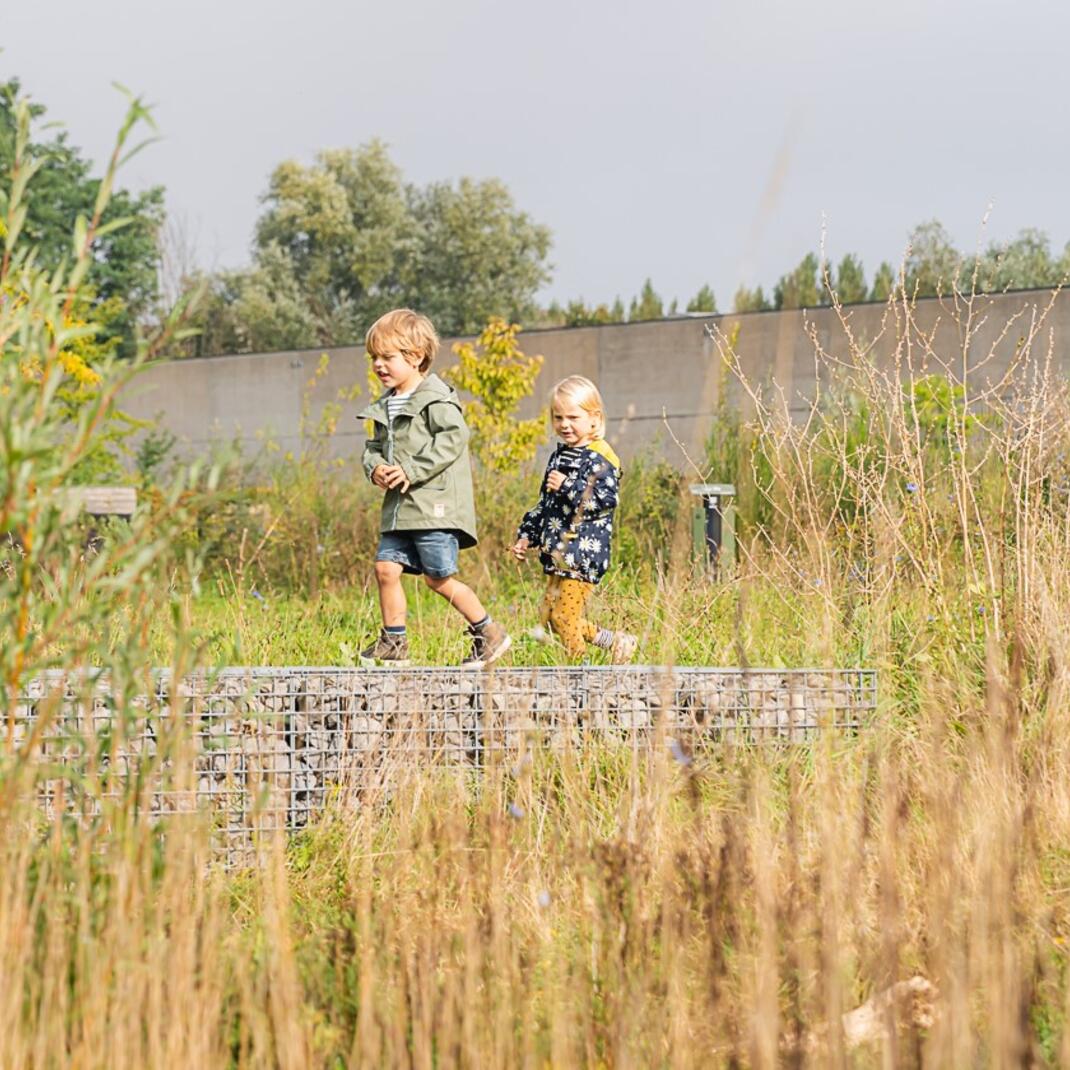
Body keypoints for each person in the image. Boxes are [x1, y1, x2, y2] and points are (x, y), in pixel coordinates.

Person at [357, 309, 511, 668]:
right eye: (374, 358)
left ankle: (489, 632)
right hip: (400, 510)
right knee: (385, 568)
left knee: (438, 579)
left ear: (416, 357)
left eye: (388, 357)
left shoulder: (435, 399)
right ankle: (394, 642)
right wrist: (375, 467)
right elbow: (374, 448)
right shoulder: (386, 405)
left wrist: (411, 469)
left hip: (434, 508)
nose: (379, 365)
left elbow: (454, 438)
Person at [510, 375, 637, 662]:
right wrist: (527, 534)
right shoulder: (560, 457)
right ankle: (617, 642)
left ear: (594, 419)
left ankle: (579, 672)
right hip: (558, 552)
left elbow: (605, 501)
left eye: (572, 417)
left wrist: (567, 486)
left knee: (564, 618)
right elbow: (546, 504)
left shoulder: (600, 457)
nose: (564, 424)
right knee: (551, 618)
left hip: (583, 553)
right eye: (558, 417)